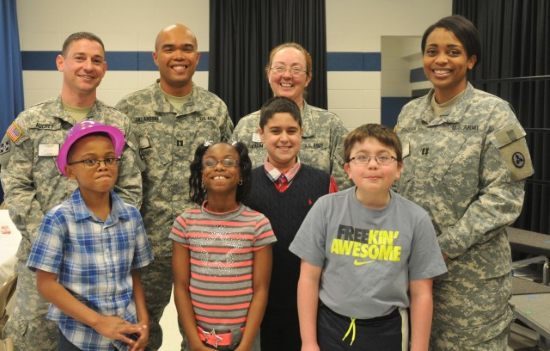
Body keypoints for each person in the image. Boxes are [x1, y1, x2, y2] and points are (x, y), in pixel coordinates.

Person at [394, 15, 534, 350]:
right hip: (414, 272)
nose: (440, 60)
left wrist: (443, 247)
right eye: (432, 51)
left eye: (453, 52)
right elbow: (397, 182)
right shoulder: (409, 115)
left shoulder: (496, 114)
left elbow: (506, 196)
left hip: (472, 282)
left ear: (471, 60)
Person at [0, 32, 143, 351]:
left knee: (99, 339)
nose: (88, 66)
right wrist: (52, 242)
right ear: (61, 62)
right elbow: (15, 186)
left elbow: (131, 188)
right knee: (38, 342)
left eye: (96, 60)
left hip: (101, 268)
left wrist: (102, 238)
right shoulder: (31, 122)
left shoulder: (119, 124)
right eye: (80, 58)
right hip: (43, 265)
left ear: (104, 68)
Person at [115, 23, 234, 350]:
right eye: (169, 49)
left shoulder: (215, 109)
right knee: (140, 329)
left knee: (203, 329)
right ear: (155, 56)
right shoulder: (129, 110)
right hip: (145, 244)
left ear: (197, 57)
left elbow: (230, 176)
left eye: (186, 49)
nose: (178, 56)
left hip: (203, 245)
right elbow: (114, 177)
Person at [289, 124, 447, 351]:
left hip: (387, 329)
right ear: (348, 169)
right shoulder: (326, 208)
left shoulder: (416, 219)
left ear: (399, 168)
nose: (373, 164)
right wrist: (309, 342)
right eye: (362, 157)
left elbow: (421, 292)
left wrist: (419, 348)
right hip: (332, 327)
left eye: (384, 157)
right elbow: (308, 279)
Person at [27, 121, 154, 351]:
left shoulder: (131, 216)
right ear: (70, 171)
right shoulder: (59, 219)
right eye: (90, 161)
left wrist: (143, 320)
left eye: (109, 159)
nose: (102, 166)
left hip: (126, 333)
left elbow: (134, 273)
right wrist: (100, 322)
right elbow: (45, 284)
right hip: (81, 337)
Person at [243, 96, 337, 350]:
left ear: (302, 133)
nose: (284, 138)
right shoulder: (244, 185)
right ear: (260, 134)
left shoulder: (323, 183)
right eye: (275, 131)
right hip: (259, 299)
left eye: (291, 131)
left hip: (310, 299)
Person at [170, 141, 276, 351]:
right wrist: (195, 343)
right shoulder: (185, 223)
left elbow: (261, 289)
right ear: (201, 174)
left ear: (242, 175)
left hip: (244, 339)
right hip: (197, 338)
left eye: (229, 162)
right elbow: (181, 287)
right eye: (210, 162)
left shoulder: (258, 224)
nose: (219, 167)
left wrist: (245, 345)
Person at [232, 42, 352, 190]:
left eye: (296, 69)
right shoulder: (246, 126)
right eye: (280, 68)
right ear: (268, 73)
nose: (287, 75)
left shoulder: (330, 125)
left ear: (307, 79)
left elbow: (343, 186)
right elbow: (234, 180)